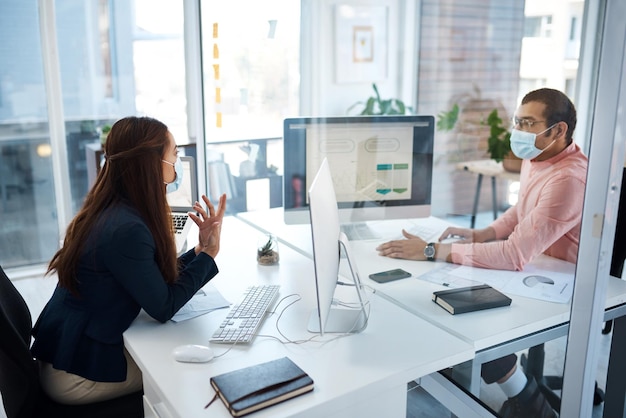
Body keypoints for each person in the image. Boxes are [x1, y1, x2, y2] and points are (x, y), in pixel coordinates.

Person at [377, 88, 587, 418]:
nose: (518, 131)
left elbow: (514, 254)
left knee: (471, 317)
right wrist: (479, 234)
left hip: (557, 283)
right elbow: (521, 211)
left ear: (559, 130)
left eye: (528, 123)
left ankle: (532, 404)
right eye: (517, 121)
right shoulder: (539, 157)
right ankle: (512, 388)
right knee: (442, 296)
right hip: (532, 266)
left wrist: (433, 250)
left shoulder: (570, 178)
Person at [30, 116, 227, 406]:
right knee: (188, 368)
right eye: (174, 154)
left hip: (69, 353)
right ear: (152, 164)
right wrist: (209, 255)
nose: (178, 163)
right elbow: (163, 306)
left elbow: (151, 279)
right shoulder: (126, 228)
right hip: (74, 375)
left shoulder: (114, 207)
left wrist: (198, 251)